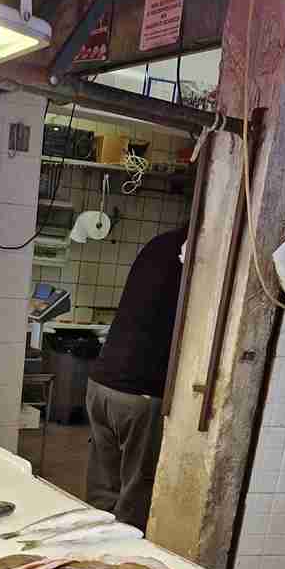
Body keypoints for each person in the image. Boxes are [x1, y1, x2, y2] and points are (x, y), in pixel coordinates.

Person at [85, 226, 187, 530]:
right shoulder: (198, 253)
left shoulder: (158, 243)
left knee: (102, 488)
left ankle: (88, 551)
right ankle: (122, 565)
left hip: (101, 384)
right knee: (135, 492)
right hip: (140, 394)